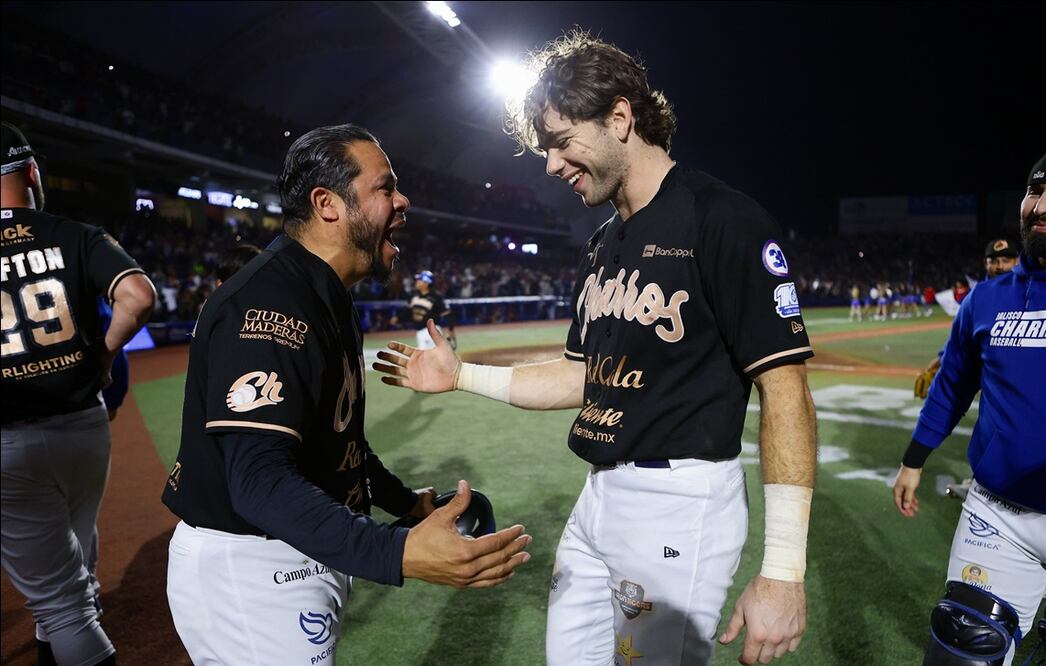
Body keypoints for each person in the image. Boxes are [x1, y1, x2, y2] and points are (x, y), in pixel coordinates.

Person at [375, 32, 817, 666]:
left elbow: (786, 389)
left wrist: (783, 570)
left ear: (619, 117)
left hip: (679, 503)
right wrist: (462, 376)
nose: (551, 165)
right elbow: (580, 377)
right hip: (598, 496)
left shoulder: (722, 219)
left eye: (561, 142)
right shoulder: (603, 242)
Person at [160, 124, 532, 665]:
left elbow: (337, 440)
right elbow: (258, 482)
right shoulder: (270, 305)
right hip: (252, 563)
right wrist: (396, 551)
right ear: (327, 204)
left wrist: (404, 502)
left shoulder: (322, 293)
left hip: (296, 545)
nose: (403, 201)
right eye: (386, 187)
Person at [892, 142, 1046, 665]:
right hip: (998, 513)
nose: (1041, 204)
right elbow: (951, 388)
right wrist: (914, 460)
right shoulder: (987, 299)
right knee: (961, 648)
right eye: (1034, 191)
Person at [1, 121, 157, 666]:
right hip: (83, 426)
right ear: (32, 172)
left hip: (8, 441)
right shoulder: (73, 233)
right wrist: (105, 356)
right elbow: (137, 295)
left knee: (63, 606)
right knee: (75, 571)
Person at [913, 237, 1021, 500]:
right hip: (989, 375)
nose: (1000, 266)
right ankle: (979, 481)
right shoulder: (980, 295)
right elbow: (964, 338)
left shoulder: (1027, 288)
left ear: (1017, 261)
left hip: (1016, 377)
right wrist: (941, 359)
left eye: (1006, 260)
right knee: (989, 427)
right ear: (985, 263)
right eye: (994, 261)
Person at [391, 269, 455, 349]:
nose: (417, 281)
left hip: (431, 331)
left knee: (424, 355)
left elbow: (448, 314)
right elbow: (408, 311)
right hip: (420, 332)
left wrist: (451, 331)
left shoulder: (436, 297)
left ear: (426, 283)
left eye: (419, 280)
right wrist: (398, 318)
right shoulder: (413, 295)